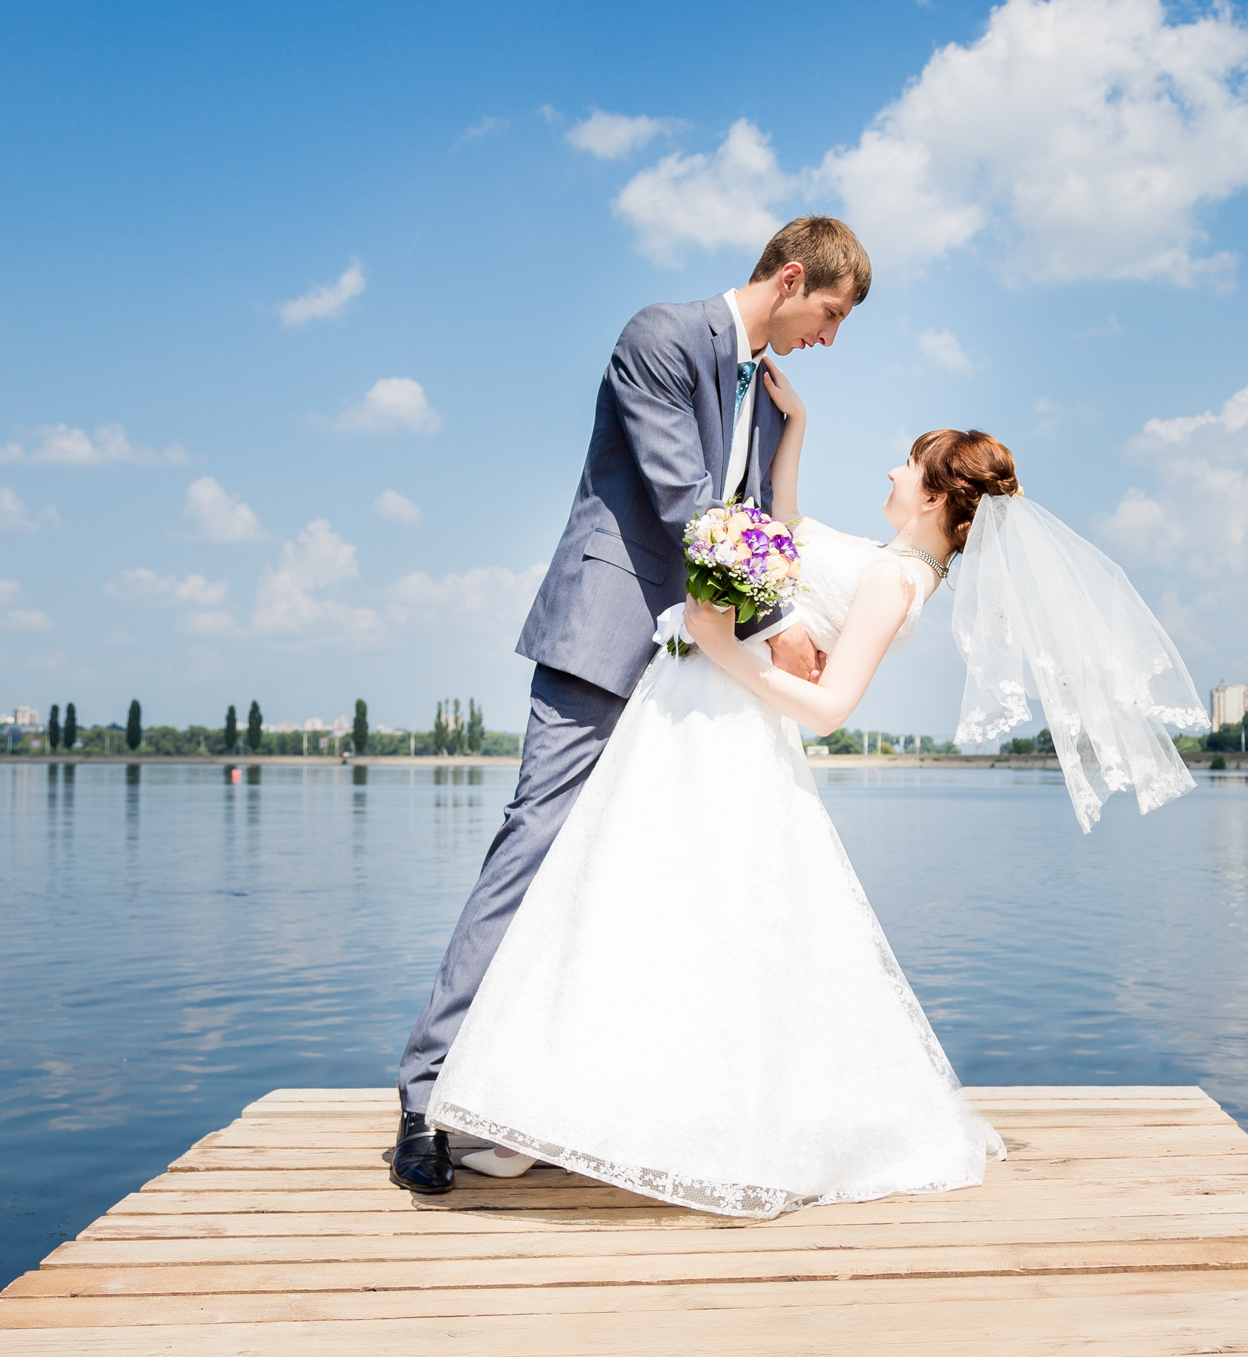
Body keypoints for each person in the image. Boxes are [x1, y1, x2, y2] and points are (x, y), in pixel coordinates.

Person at [426, 397, 1206, 1215]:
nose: (893, 471)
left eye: (908, 463)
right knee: (624, 899)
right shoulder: (885, 557)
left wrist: (725, 648)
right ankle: (540, 1115)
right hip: (688, 719)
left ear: (937, 494)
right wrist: (793, 426)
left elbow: (830, 707)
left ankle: (626, 1118)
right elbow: (786, 520)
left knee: (673, 908)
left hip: (730, 729)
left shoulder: (898, 580)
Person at [388, 216, 871, 1195]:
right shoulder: (657, 336)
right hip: (608, 636)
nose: (830, 337)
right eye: (830, 311)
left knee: (656, 876)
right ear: (789, 277)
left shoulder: (776, 400)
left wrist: (800, 438)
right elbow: (689, 503)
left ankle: (564, 1097)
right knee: (534, 849)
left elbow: (763, 523)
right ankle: (426, 1100)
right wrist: (779, 620)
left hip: (701, 667)